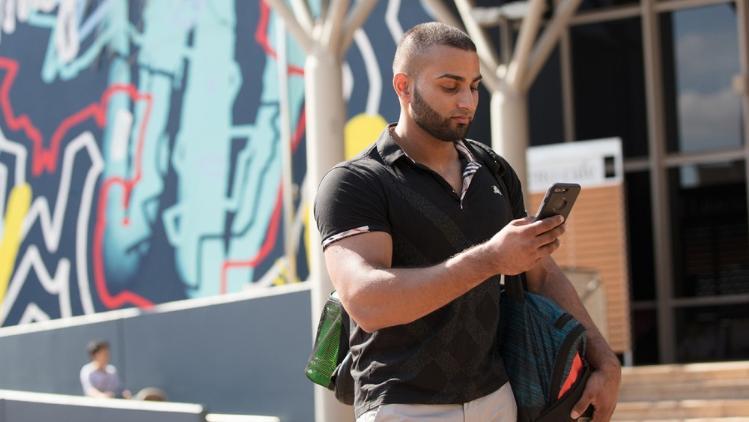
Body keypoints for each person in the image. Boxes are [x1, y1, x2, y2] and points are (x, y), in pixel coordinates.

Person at [314, 22, 621, 422]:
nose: (467, 101)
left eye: (474, 86)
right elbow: (367, 301)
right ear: (403, 86)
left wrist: (605, 361)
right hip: (403, 408)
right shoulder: (356, 182)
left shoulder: (493, 169)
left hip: (498, 400)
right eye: (450, 86)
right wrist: (491, 259)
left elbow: (540, 274)